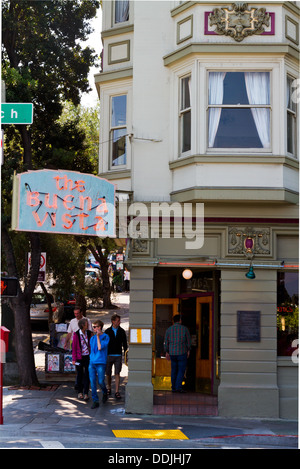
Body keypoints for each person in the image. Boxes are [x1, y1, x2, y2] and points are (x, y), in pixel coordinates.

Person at [164, 314, 191, 393]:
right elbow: (188, 341)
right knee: (181, 370)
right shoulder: (184, 329)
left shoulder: (169, 330)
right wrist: (188, 350)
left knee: (174, 370)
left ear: (173, 321)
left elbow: (166, 342)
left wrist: (166, 351)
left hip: (172, 353)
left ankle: (173, 387)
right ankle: (178, 387)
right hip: (182, 352)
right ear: (180, 320)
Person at [105, 313, 128, 399]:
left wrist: (126, 355)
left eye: (119, 321)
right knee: (108, 373)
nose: (119, 322)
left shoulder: (122, 331)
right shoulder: (107, 331)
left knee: (117, 373)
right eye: (118, 321)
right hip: (109, 355)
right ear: (113, 321)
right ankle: (109, 388)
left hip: (118, 355)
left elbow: (125, 344)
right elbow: (104, 344)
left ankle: (117, 391)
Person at [89, 320, 110, 409]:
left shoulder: (105, 337)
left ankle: (105, 392)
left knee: (101, 381)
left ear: (99, 327)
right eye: (93, 327)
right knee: (93, 382)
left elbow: (100, 347)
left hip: (101, 362)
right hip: (92, 362)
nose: (93, 328)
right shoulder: (92, 338)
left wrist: (98, 337)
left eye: (95, 327)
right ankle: (95, 400)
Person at [72, 318, 92, 401]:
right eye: (86, 324)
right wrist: (74, 359)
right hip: (79, 358)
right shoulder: (76, 334)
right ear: (83, 325)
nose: (88, 325)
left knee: (87, 375)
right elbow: (74, 347)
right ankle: (80, 392)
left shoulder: (89, 333)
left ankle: (86, 393)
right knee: (80, 375)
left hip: (87, 356)